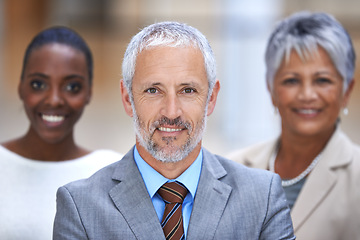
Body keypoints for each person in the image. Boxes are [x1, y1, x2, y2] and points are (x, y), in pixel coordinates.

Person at [53, 21, 295, 239]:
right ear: (128, 99)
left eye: (187, 90)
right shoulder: (80, 207)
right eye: (153, 90)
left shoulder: (262, 198)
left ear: (211, 98)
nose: (171, 111)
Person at [227, 11, 360, 239]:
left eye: (322, 80)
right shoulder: (231, 169)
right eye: (291, 81)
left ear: (346, 91)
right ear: (271, 90)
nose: (307, 95)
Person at [0, 27, 122, 239]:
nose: (54, 99)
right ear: (20, 87)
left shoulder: (112, 171)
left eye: (72, 87)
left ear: (89, 93)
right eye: (38, 84)